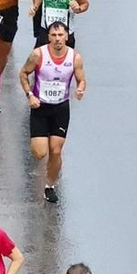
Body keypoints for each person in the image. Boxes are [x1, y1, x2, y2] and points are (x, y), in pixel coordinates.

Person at [20, 19, 84, 205]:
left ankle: (50, 185)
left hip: (60, 108)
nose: (57, 39)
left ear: (67, 36)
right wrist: (29, 95)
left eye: (61, 35)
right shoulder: (38, 55)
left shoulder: (74, 58)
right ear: (48, 37)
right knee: (40, 153)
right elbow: (23, 74)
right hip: (40, 107)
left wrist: (80, 88)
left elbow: (82, 79)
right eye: (54, 35)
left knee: (55, 150)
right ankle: (41, 147)